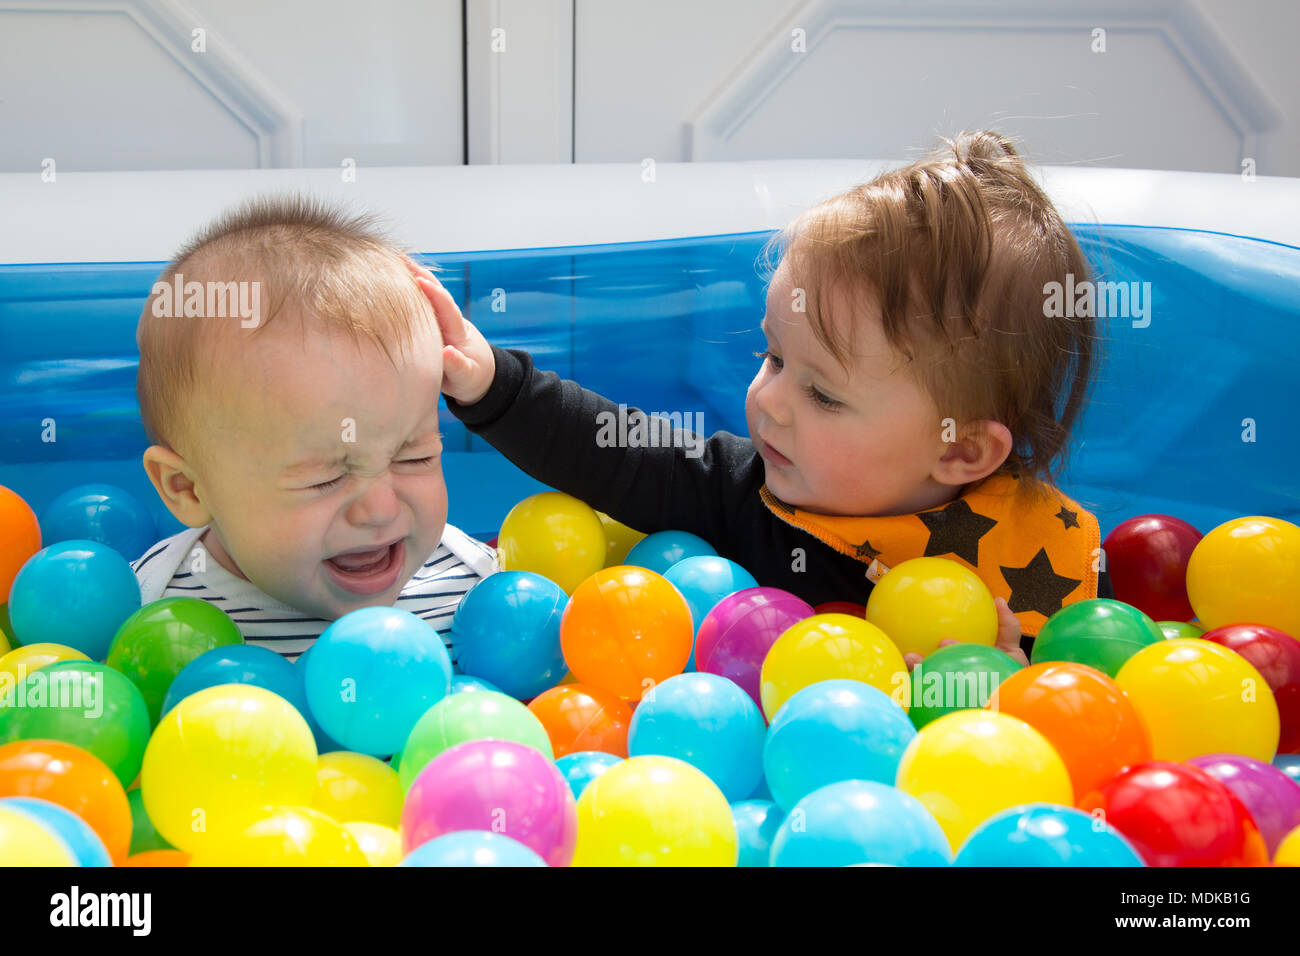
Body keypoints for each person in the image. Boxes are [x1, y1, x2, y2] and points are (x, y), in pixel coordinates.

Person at [415, 131, 1113, 666]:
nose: (771, 402)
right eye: (773, 356)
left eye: (823, 395)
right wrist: (492, 384)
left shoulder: (1048, 563)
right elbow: (613, 450)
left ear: (961, 446)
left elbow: (1083, 723)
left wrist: (997, 685)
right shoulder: (744, 492)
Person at [131, 195, 495, 663]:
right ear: (189, 489)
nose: (380, 509)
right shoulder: (152, 612)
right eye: (325, 478)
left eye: (415, 456)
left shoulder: (476, 594)